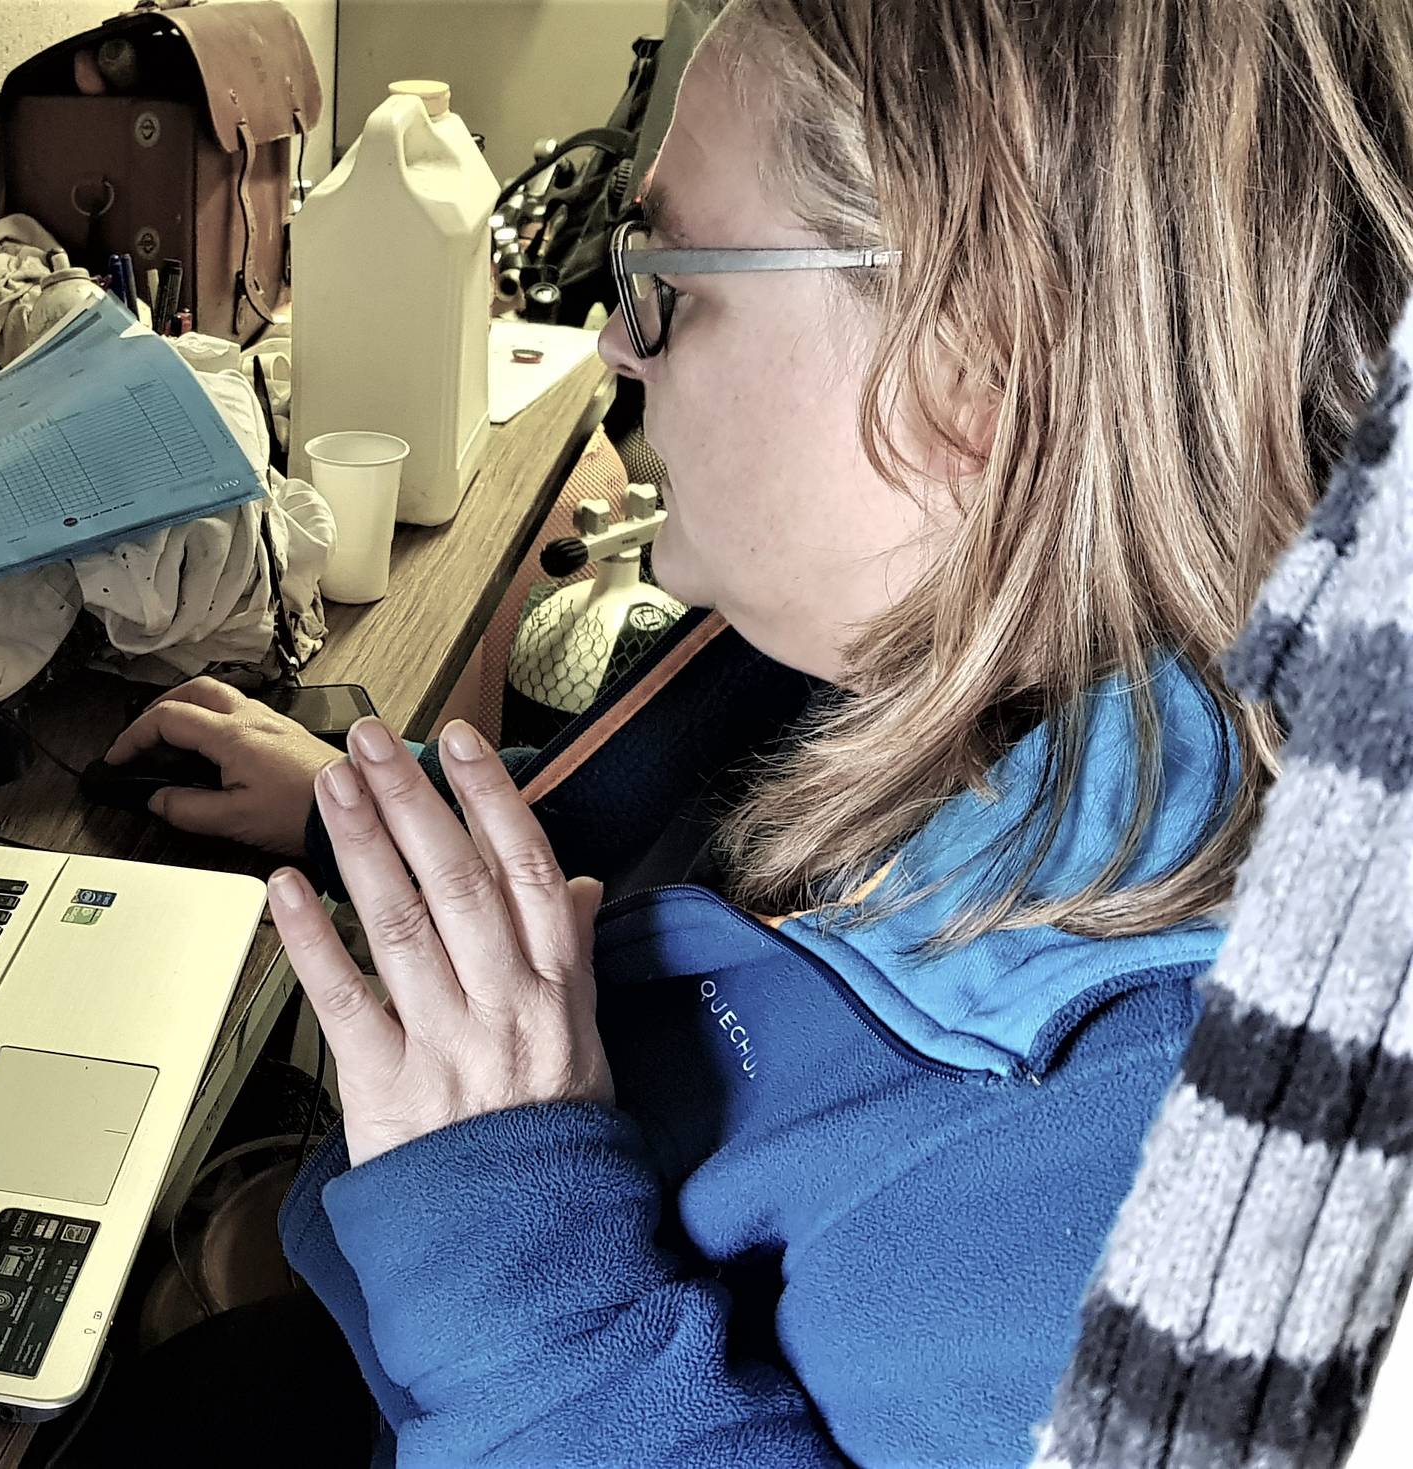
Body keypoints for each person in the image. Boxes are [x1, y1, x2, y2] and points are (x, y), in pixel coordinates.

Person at [78, 0, 1413, 1464]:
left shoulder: (1172, 1186)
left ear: (975, 350)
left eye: (665, 281)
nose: (615, 345)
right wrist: (390, 828)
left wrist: (500, 1227)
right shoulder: (950, 650)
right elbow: (725, 887)